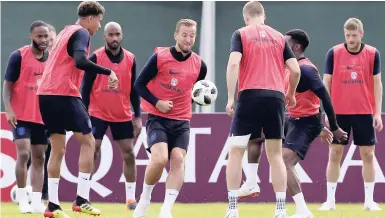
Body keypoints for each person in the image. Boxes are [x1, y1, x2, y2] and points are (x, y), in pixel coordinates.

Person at [36, 1, 119, 217]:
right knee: (89, 142)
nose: (99, 27)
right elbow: (81, 61)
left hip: (45, 94)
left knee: (57, 148)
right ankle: (82, 199)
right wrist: (108, 71)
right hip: (63, 93)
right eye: (99, 21)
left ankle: (52, 206)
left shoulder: (65, 31)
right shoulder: (82, 33)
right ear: (90, 19)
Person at [224, 2, 301, 218]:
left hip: (249, 96)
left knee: (236, 151)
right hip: (275, 98)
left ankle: (232, 208)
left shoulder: (241, 33)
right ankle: (280, 209)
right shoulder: (278, 37)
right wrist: (291, 94)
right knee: (275, 155)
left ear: (246, 17)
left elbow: (233, 64)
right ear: (264, 16)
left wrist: (231, 97)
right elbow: (295, 70)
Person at [133, 19, 207, 218]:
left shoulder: (200, 65)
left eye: (192, 35)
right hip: (158, 117)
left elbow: (196, 93)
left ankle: (166, 209)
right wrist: (157, 102)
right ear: (176, 35)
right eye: (184, 35)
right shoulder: (160, 57)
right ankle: (145, 199)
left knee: (178, 159)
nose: (188, 39)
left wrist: (201, 99)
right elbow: (139, 84)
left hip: (182, 121)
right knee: (159, 159)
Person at [319, 18, 383, 211]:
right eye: (348, 36)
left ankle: (369, 201)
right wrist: (326, 112)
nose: (351, 39)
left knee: (368, 155)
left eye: (354, 35)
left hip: (364, 112)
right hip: (338, 113)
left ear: (361, 34)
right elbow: (326, 84)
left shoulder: (372, 53)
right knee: (335, 153)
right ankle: (330, 201)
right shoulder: (334, 53)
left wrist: (377, 112)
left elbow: (377, 84)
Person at [81, 21, 142, 210]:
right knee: (94, 151)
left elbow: (133, 89)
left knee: (129, 154)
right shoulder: (95, 57)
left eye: (117, 34)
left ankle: (131, 199)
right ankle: (84, 197)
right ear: (104, 36)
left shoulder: (130, 58)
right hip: (97, 113)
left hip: (122, 114)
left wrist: (138, 115)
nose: (114, 38)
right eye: (110, 35)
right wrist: (83, 112)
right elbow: (85, 88)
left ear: (121, 35)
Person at [2, 20, 50, 214]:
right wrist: (9, 109)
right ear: (31, 36)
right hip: (20, 116)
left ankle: (37, 201)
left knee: (40, 157)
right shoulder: (18, 56)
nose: (43, 39)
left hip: (42, 117)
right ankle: (23, 198)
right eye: (39, 36)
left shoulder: (52, 58)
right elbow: (7, 85)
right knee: (24, 154)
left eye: (46, 36)